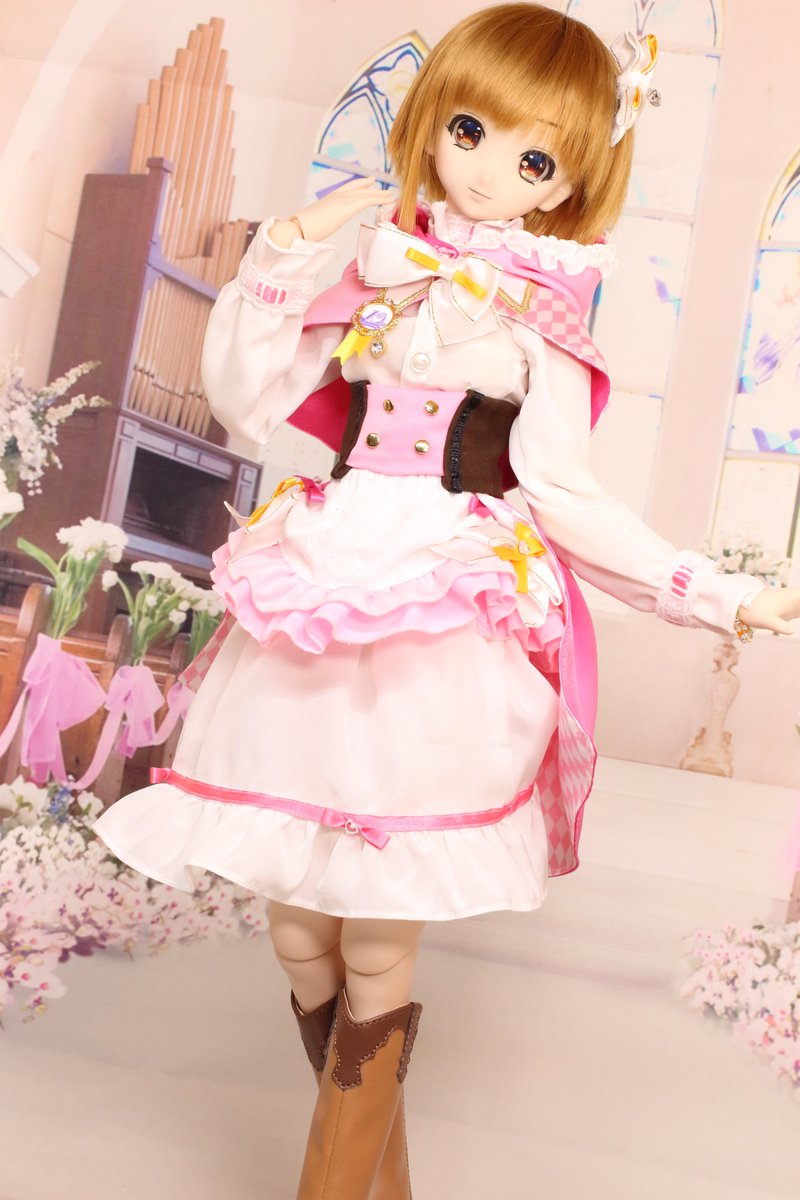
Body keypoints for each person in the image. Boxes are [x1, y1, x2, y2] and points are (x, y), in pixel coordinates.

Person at [94, 5, 800, 1196]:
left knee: (377, 933)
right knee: (296, 927)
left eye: (532, 159)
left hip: (442, 598)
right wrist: (280, 259)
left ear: (566, 183)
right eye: (468, 131)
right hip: (323, 575)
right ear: (430, 123)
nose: (485, 171)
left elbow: (564, 496)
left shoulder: (541, 326)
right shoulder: (372, 270)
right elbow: (245, 401)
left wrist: (710, 592)